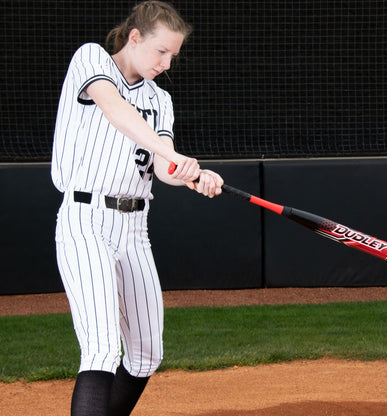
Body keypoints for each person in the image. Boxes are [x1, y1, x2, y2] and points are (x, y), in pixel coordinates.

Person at [51, 2, 223, 415]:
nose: (166, 63)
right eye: (161, 51)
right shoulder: (91, 58)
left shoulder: (160, 100)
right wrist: (171, 152)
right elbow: (116, 110)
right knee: (102, 349)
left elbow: (162, 169)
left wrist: (192, 175)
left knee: (146, 353)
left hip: (134, 228)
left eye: (173, 57)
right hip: (85, 220)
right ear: (134, 37)